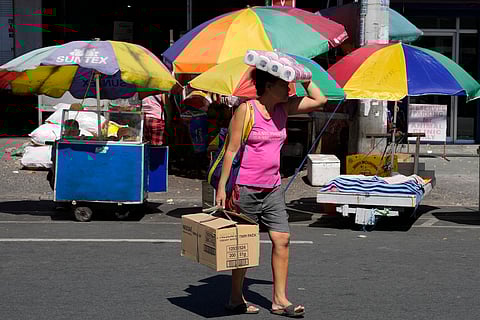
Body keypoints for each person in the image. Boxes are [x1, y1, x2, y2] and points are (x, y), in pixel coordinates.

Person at [216, 69, 327, 317]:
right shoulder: (247, 110)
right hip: (245, 188)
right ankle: (235, 297)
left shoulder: (283, 109)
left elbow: (320, 100)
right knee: (245, 246)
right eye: (283, 84)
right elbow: (231, 151)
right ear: (267, 86)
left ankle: (279, 300)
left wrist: (305, 78)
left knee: (282, 240)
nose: (288, 88)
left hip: (273, 188)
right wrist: (222, 187)